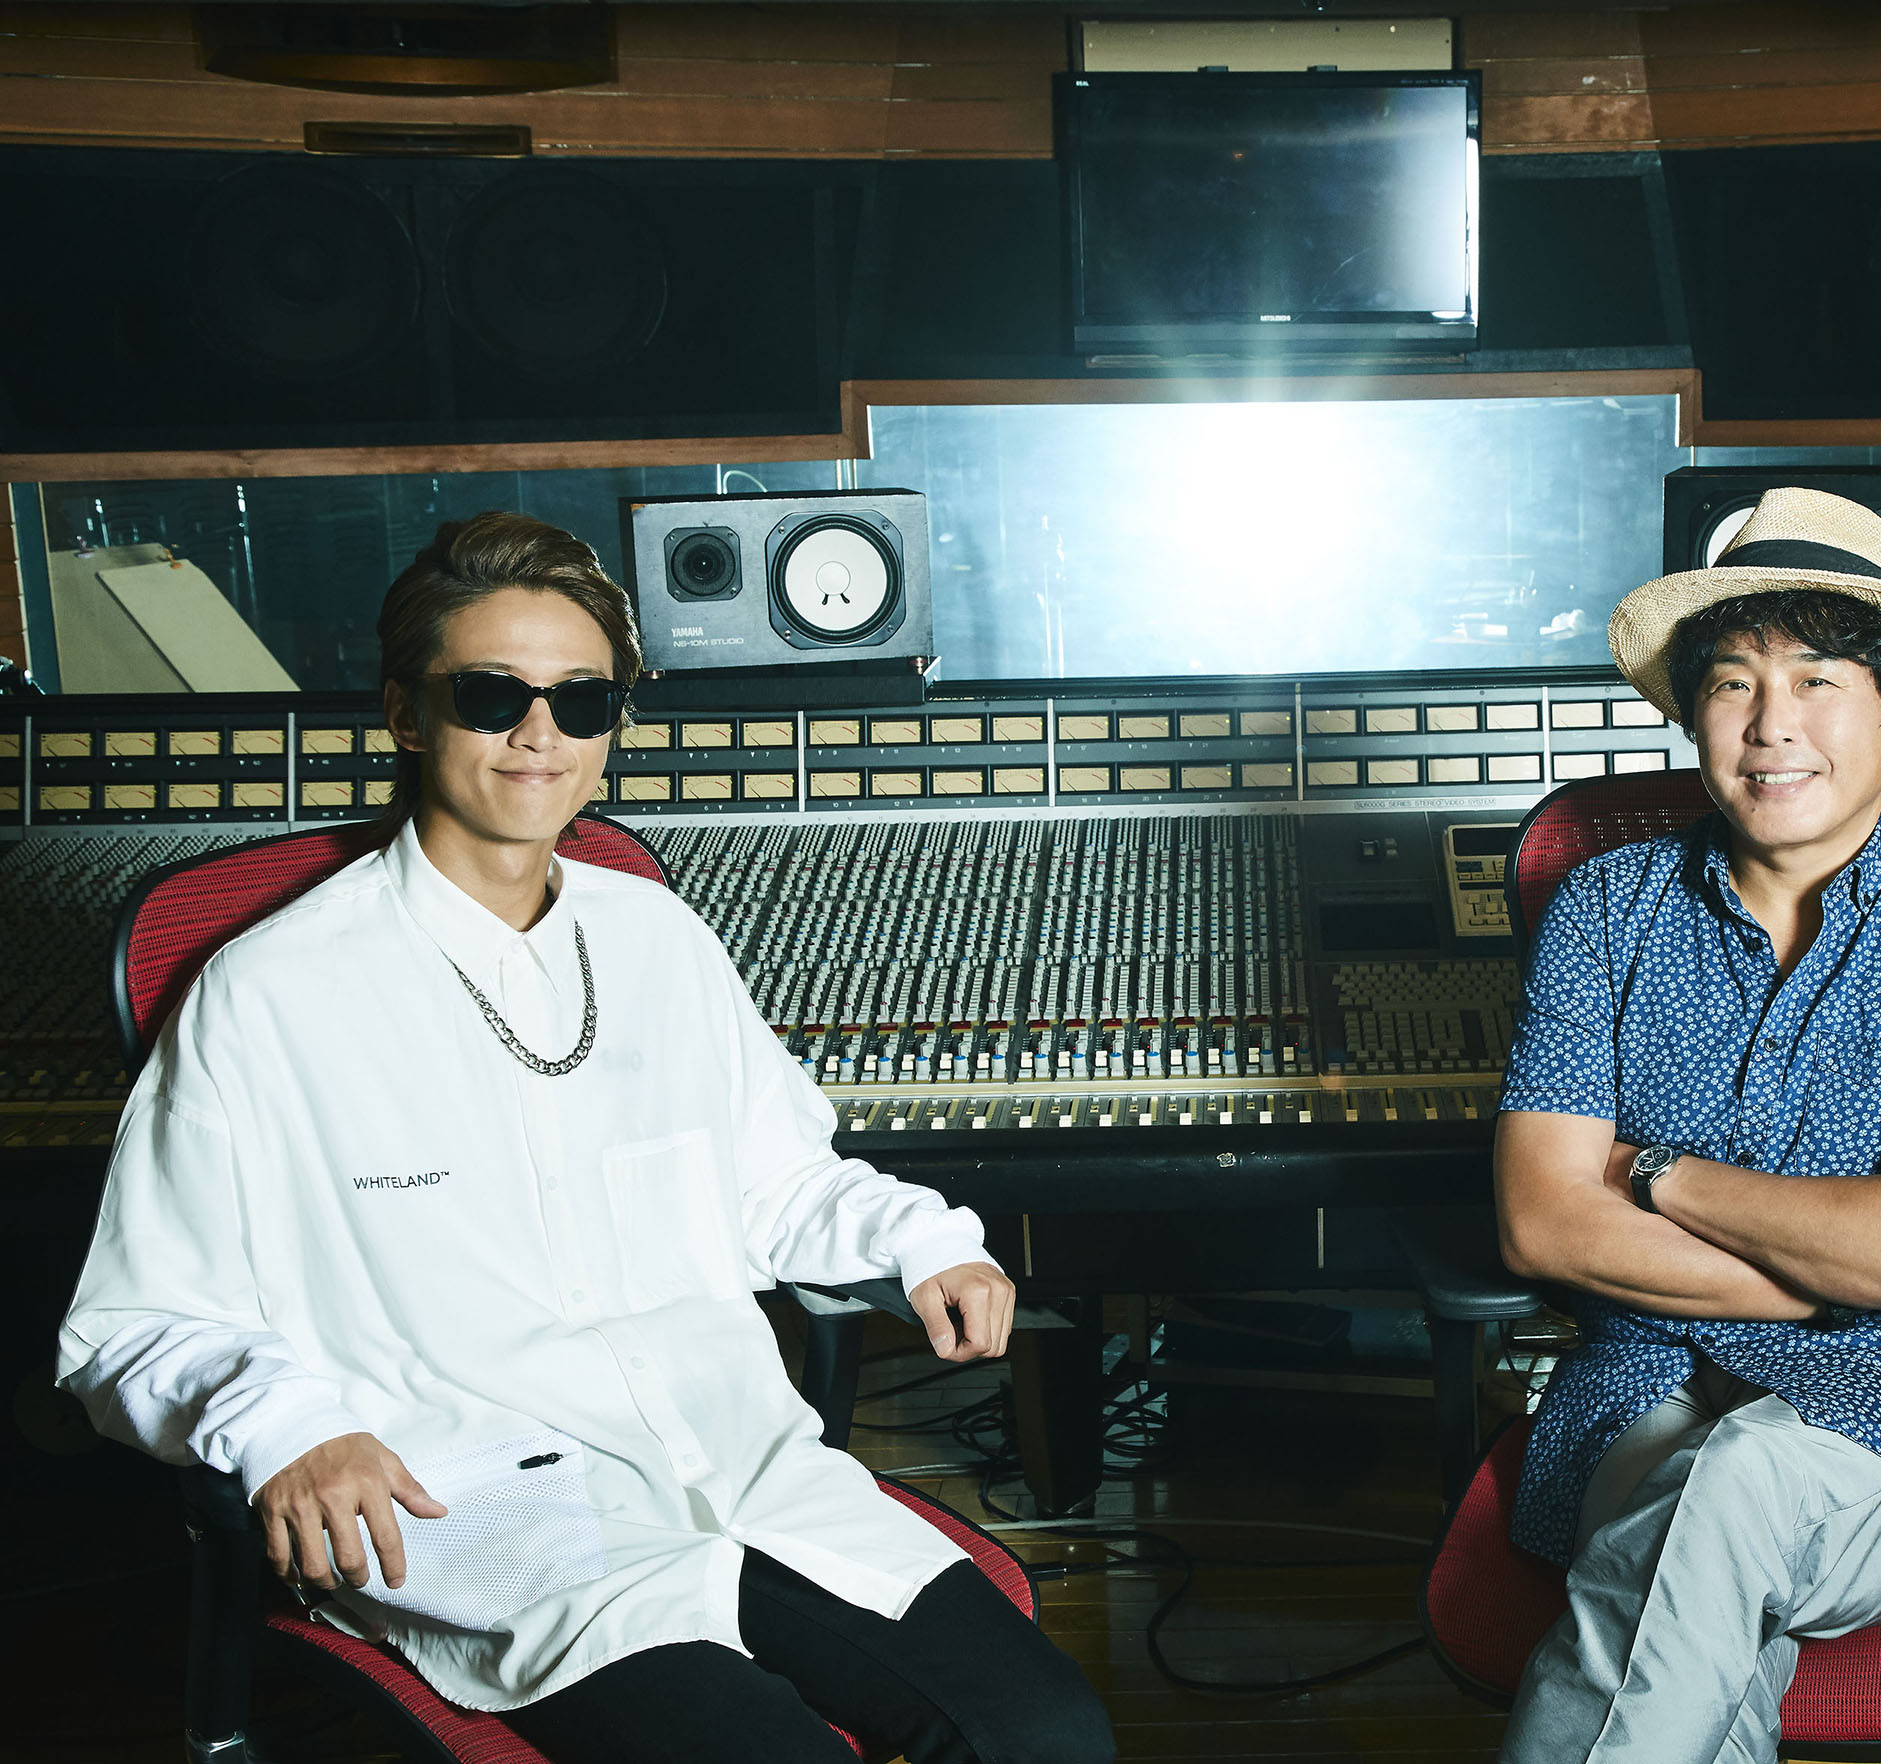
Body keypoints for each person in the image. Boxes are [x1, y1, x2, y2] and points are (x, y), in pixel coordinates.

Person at [59, 512, 1114, 1764]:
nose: (539, 733)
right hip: (491, 1515)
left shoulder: (658, 937)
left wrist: (919, 1243)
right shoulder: (271, 991)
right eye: (489, 693)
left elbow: (775, 1183)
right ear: (406, 713)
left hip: (741, 1466)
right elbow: (137, 1318)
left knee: (1048, 1732)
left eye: (581, 698)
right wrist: (290, 1430)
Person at [1491, 488, 1881, 1763]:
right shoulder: (1604, 909)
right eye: (1733, 683)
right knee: (1699, 1557)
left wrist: (1653, 1172)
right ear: (1686, 710)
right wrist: (1834, 1264)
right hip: (1641, 1389)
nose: (1770, 726)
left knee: (1732, 1485)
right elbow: (1540, 1222)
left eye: (1817, 680)